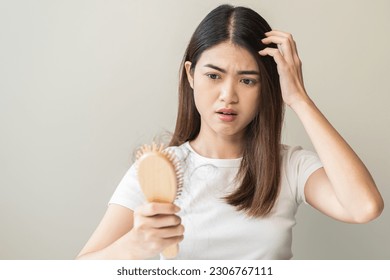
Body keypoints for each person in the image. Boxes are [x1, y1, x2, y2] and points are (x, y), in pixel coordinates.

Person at [76, 4, 383, 260]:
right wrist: (135, 245)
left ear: (267, 87)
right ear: (190, 75)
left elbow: (364, 207)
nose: (228, 96)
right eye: (213, 75)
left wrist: (299, 99)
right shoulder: (158, 169)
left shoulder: (290, 167)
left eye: (248, 80)